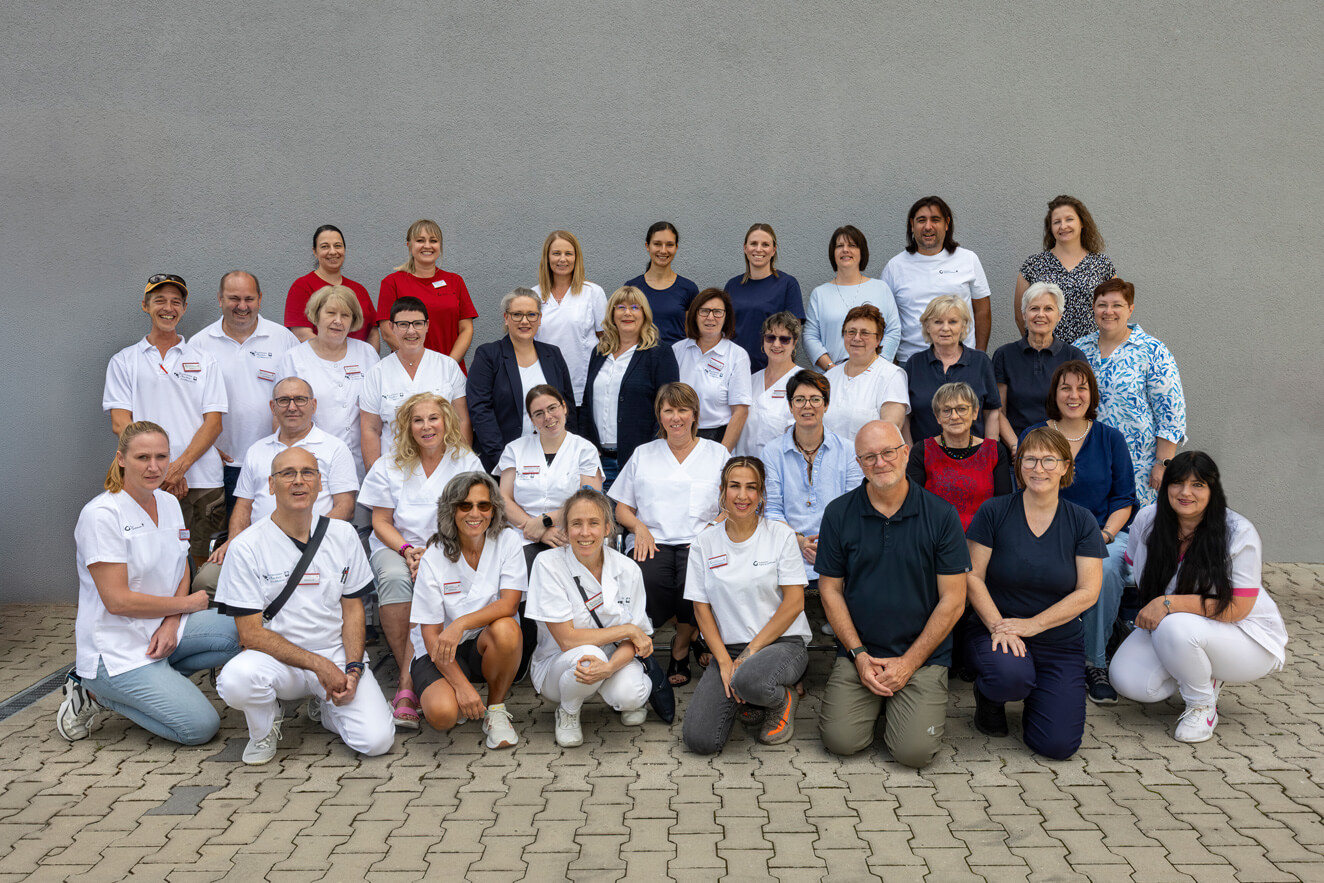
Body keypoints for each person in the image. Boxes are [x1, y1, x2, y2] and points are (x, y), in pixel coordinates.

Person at [57, 422, 239, 745]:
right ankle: (94, 692)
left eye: (161, 456)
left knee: (241, 630)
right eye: (143, 457)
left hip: (163, 632)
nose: (154, 466)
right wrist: (186, 605)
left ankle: (158, 683)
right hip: (116, 650)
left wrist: (171, 623)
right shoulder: (101, 515)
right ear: (122, 459)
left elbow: (181, 565)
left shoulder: (167, 503)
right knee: (200, 727)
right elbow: (118, 601)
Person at [215, 447, 395, 764]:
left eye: (307, 473)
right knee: (235, 680)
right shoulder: (246, 546)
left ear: (319, 483)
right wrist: (318, 665)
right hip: (276, 660)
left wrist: (352, 668)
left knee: (377, 742)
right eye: (288, 474)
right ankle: (264, 727)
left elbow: (353, 609)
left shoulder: (343, 535)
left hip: (335, 653)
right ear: (271, 485)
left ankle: (327, 708)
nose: (299, 482)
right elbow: (250, 634)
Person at [816, 420, 969, 769]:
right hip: (862, 653)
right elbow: (829, 588)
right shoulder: (838, 513)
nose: (880, 462)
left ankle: (898, 705)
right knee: (841, 742)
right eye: (869, 457)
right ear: (858, 464)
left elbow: (954, 600)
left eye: (887, 452)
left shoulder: (941, 515)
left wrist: (908, 664)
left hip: (922, 657)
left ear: (905, 453)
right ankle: (877, 702)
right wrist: (857, 653)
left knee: (912, 754)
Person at [1109, 452, 1288, 743]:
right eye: (1177, 483)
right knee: (1129, 681)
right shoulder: (1147, 519)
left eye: (1198, 485)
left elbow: (1238, 608)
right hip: (1184, 628)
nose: (1185, 493)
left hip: (1246, 636)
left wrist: (1168, 603)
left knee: (1174, 626)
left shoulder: (1238, 532)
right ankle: (1197, 668)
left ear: (1212, 489)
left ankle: (1201, 705)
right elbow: (1132, 566)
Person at [963, 427, 1106, 758]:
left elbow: (1088, 591)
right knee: (1010, 676)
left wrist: (1033, 626)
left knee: (1057, 746)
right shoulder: (994, 512)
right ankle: (991, 697)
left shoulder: (1082, 521)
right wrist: (999, 625)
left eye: (1048, 460)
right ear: (1019, 465)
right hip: (996, 631)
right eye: (1030, 459)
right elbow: (973, 577)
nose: (1038, 468)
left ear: (1066, 466)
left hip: (1058, 642)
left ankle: (1041, 694)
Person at [358, 392, 483, 728]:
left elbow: (475, 517)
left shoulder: (465, 461)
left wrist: (433, 553)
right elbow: (380, 521)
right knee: (395, 580)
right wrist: (408, 552)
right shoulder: (389, 463)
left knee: (435, 583)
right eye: (418, 420)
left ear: (447, 422)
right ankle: (413, 676)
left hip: (449, 547)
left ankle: (407, 687)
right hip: (397, 547)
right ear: (407, 426)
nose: (426, 426)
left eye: (433, 418)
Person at [1024, 361, 1136, 705]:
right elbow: (1026, 490)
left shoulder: (1110, 438)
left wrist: (1103, 535)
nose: (1074, 395)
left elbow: (1124, 499)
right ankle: (1032, 651)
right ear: (1054, 394)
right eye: (1065, 388)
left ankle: (1093, 662)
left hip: (1105, 533)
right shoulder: (1037, 435)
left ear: (1092, 395)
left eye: (1081, 388)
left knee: (1102, 569)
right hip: (1047, 531)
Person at [682, 458, 811, 754]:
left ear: (762, 493)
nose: (742, 496)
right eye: (735, 486)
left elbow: (794, 603)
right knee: (700, 740)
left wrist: (748, 655)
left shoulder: (780, 536)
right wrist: (725, 663)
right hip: (728, 649)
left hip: (781, 644)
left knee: (750, 678)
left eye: (751, 487)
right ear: (722, 491)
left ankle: (781, 699)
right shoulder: (704, 542)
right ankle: (752, 695)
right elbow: (701, 610)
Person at [193, 377, 359, 596]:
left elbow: (345, 507)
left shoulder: (335, 448)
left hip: (313, 545)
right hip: (258, 547)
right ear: (273, 407)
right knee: (205, 582)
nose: (292, 407)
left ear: (313, 404)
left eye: (300, 399)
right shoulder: (257, 450)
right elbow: (243, 507)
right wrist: (235, 542)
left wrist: (309, 540)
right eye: (283, 400)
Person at [610, 383, 730, 686]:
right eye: (668, 410)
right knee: (647, 579)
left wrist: (712, 530)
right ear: (659, 415)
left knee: (698, 581)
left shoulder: (718, 454)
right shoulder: (644, 454)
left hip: (701, 541)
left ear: (694, 415)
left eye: (682, 410)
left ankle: (679, 647)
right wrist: (639, 528)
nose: (675, 417)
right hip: (655, 541)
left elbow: (732, 505)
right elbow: (621, 508)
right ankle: (690, 637)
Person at [103, 274, 228, 561]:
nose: (168, 308)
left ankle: (196, 608)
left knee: (203, 564)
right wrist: (161, 470)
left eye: (175, 301)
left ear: (184, 308)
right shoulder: (124, 361)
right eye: (159, 300)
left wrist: (178, 468)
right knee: (149, 560)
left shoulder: (205, 361)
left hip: (203, 481)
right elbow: (121, 423)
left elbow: (214, 423)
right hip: (146, 480)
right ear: (145, 306)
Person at [526, 489, 654, 748]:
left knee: (632, 695)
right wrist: (626, 629)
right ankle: (569, 711)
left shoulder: (628, 569)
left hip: (613, 658)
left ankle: (613, 694)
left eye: (594, 523)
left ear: (608, 527)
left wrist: (609, 667)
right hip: (560, 664)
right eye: (576, 524)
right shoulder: (547, 564)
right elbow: (566, 640)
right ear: (565, 529)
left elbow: (637, 640)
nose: (585, 533)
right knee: (586, 656)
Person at [410, 472, 526, 749]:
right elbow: (430, 636)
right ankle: (458, 694)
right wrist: (462, 688)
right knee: (442, 716)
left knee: (507, 628)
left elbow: (509, 604)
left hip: (485, 645)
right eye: (465, 505)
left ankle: (495, 710)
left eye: (483, 505)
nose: (475, 513)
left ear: (494, 509)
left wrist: (460, 624)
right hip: (440, 649)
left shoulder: (508, 541)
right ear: (450, 509)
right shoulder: (435, 555)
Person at [190, 271, 299, 519]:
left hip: (272, 461)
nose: (242, 306)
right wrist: (204, 449)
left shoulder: (283, 339)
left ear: (260, 299)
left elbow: (298, 397)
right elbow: (188, 405)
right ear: (220, 299)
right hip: (218, 466)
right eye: (233, 298)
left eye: (249, 298)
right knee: (223, 541)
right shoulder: (199, 344)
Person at [1074, 278, 1187, 508]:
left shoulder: (1152, 350)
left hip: (1139, 466)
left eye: (1117, 305)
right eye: (1102, 305)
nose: (1109, 311)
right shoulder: (1079, 349)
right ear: (1093, 309)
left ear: (1130, 309)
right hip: (1087, 462)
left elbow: (1170, 411)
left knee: (1136, 534)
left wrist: (1163, 463)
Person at [763, 370, 863, 586]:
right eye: (799, 400)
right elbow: (771, 510)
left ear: (826, 405)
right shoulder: (772, 452)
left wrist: (828, 546)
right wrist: (798, 540)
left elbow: (854, 508)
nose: (807, 406)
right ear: (790, 406)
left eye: (815, 399)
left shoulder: (847, 451)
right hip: (786, 548)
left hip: (838, 548)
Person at [275, 284, 380, 479]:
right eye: (330, 313)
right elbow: (281, 416)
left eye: (346, 315)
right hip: (311, 464)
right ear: (316, 315)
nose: (338, 321)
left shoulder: (367, 354)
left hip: (362, 463)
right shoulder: (294, 358)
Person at [580, 285, 680, 488]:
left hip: (640, 460)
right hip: (598, 462)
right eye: (620, 307)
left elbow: (670, 408)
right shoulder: (599, 353)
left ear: (644, 314)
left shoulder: (659, 353)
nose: (627, 313)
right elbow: (586, 405)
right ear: (612, 314)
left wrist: (652, 450)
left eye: (635, 307)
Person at [467, 288, 577, 472]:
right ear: (506, 318)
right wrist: (503, 460)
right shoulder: (489, 355)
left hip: (553, 457)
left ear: (539, 318)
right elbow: (480, 409)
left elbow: (567, 405)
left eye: (531, 314)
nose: (525, 321)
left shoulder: (553, 354)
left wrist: (568, 452)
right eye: (517, 314)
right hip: (504, 459)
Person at [497, 384, 603, 569]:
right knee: (524, 570)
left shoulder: (584, 450)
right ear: (531, 419)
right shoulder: (515, 449)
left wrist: (546, 521)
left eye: (552, 408)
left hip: (569, 535)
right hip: (523, 536)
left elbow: (589, 502)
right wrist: (535, 529)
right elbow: (503, 499)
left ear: (564, 407)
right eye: (538, 413)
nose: (548, 417)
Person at [360, 296, 470, 471]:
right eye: (403, 324)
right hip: (394, 469)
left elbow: (462, 419)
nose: (411, 331)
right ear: (391, 327)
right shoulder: (377, 373)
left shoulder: (448, 366)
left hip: (444, 468)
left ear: (427, 325)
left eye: (417, 323)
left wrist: (462, 466)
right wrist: (374, 475)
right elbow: (370, 429)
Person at [881, 197, 991, 362]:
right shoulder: (895, 267)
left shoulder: (968, 259)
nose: (928, 227)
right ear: (912, 225)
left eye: (935, 220)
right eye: (921, 220)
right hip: (911, 363)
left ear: (947, 224)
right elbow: (884, 319)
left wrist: (979, 356)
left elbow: (983, 311)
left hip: (962, 361)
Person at [993, 282, 1087, 452]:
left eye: (1048, 309)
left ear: (1059, 315)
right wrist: (1017, 446)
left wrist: (1061, 449)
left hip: (1061, 450)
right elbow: (998, 411)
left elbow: (1081, 410)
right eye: (1034, 308)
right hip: (1017, 452)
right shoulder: (1004, 355)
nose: (1040, 315)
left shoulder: (1073, 356)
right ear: (1024, 314)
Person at [905, 382, 1012, 531]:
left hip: (984, 537)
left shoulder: (994, 451)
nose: (954, 416)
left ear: (975, 412)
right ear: (937, 417)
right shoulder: (922, 451)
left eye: (962, 409)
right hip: (935, 537)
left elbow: (1003, 505)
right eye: (946, 410)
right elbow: (913, 504)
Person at [1013, 196, 1115, 345]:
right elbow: (1019, 314)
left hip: (1091, 352)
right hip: (1046, 353)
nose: (1063, 226)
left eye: (1069, 219)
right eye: (1057, 222)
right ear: (1051, 228)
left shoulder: (1102, 264)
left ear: (1082, 223)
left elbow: (1116, 307)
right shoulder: (1033, 264)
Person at [377, 219, 477, 368]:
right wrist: (420, 365)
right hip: (408, 368)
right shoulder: (392, 283)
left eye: (433, 240)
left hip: (449, 370)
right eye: (420, 240)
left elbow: (466, 329)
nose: (427, 246)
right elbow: (387, 332)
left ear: (440, 246)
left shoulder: (455, 281)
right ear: (409, 246)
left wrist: (447, 365)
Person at [904, 295, 1001, 444]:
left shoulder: (980, 361)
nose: (945, 328)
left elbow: (992, 412)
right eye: (938, 322)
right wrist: (910, 455)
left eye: (953, 322)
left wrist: (989, 452)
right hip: (925, 459)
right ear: (927, 326)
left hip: (973, 458)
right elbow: (905, 416)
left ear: (963, 326)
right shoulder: (914, 364)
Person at [804, 225, 901, 369]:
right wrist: (831, 369)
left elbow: (893, 330)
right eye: (839, 246)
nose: (845, 250)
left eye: (852, 245)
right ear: (833, 253)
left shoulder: (881, 288)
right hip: (831, 377)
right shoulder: (820, 294)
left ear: (862, 252)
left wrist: (877, 367)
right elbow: (810, 337)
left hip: (874, 375)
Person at [532, 230, 607, 404]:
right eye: (556, 253)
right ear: (547, 257)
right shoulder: (533, 295)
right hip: (543, 383)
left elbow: (606, 339)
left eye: (568, 253)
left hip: (583, 384)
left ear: (576, 257)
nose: (562, 259)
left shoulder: (593, 293)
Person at [672, 288, 752, 450]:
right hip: (679, 436)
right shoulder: (677, 350)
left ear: (726, 317)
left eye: (717, 312)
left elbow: (740, 411)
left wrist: (722, 453)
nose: (710, 317)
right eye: (704, 311)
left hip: (717, 438)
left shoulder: (737, 355)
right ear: (694, 315)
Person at [723, 224, 805, 371]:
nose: (758, 249)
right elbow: (724, 331)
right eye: (753, 243)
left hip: (772, 371)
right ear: (745, 248)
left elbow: (792, 333)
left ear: (773, 250)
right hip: (735, 369)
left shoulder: (787, 284)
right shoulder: (732, 285)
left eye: (765, 244)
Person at [822, 304, 909, 442]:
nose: (857, 338)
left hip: (869, 461)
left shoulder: (891, 375)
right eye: (851, 332)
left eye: (865, 333)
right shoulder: (829, 378)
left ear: (878, 339)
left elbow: (891, 431)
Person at [284, 224, 380, 348]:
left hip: (359, 365)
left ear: (344, 249)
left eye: (338, 246)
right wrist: (337, 356)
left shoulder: (359, 290)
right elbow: (302, 334)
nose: (333, 251)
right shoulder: (302, 286)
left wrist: (369, 360)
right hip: (320, 364)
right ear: (315, 252)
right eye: (325, 246)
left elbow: (372, 333)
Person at [735, 313, 800, 458]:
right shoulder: (749, 381)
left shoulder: (803, 382)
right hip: (744, 468)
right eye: (770, 338)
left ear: (794, 343)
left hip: (780, 468)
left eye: (784, 339)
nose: (776, 344)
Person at [624, 222, 699, 346]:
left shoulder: (688, 289)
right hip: (640, 358)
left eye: (669, 245)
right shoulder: (632, 287)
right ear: (647, 246)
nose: (663, 250)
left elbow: (692, 333)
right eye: (657, 244)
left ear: (676, 247)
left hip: (676, 360)